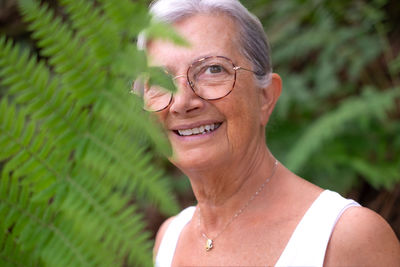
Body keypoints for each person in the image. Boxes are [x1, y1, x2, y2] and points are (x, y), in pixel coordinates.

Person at [135, 0, 400, 266]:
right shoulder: (169, 238)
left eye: (213, 69)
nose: (182, 102)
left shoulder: (345, 238)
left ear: (266, 97)